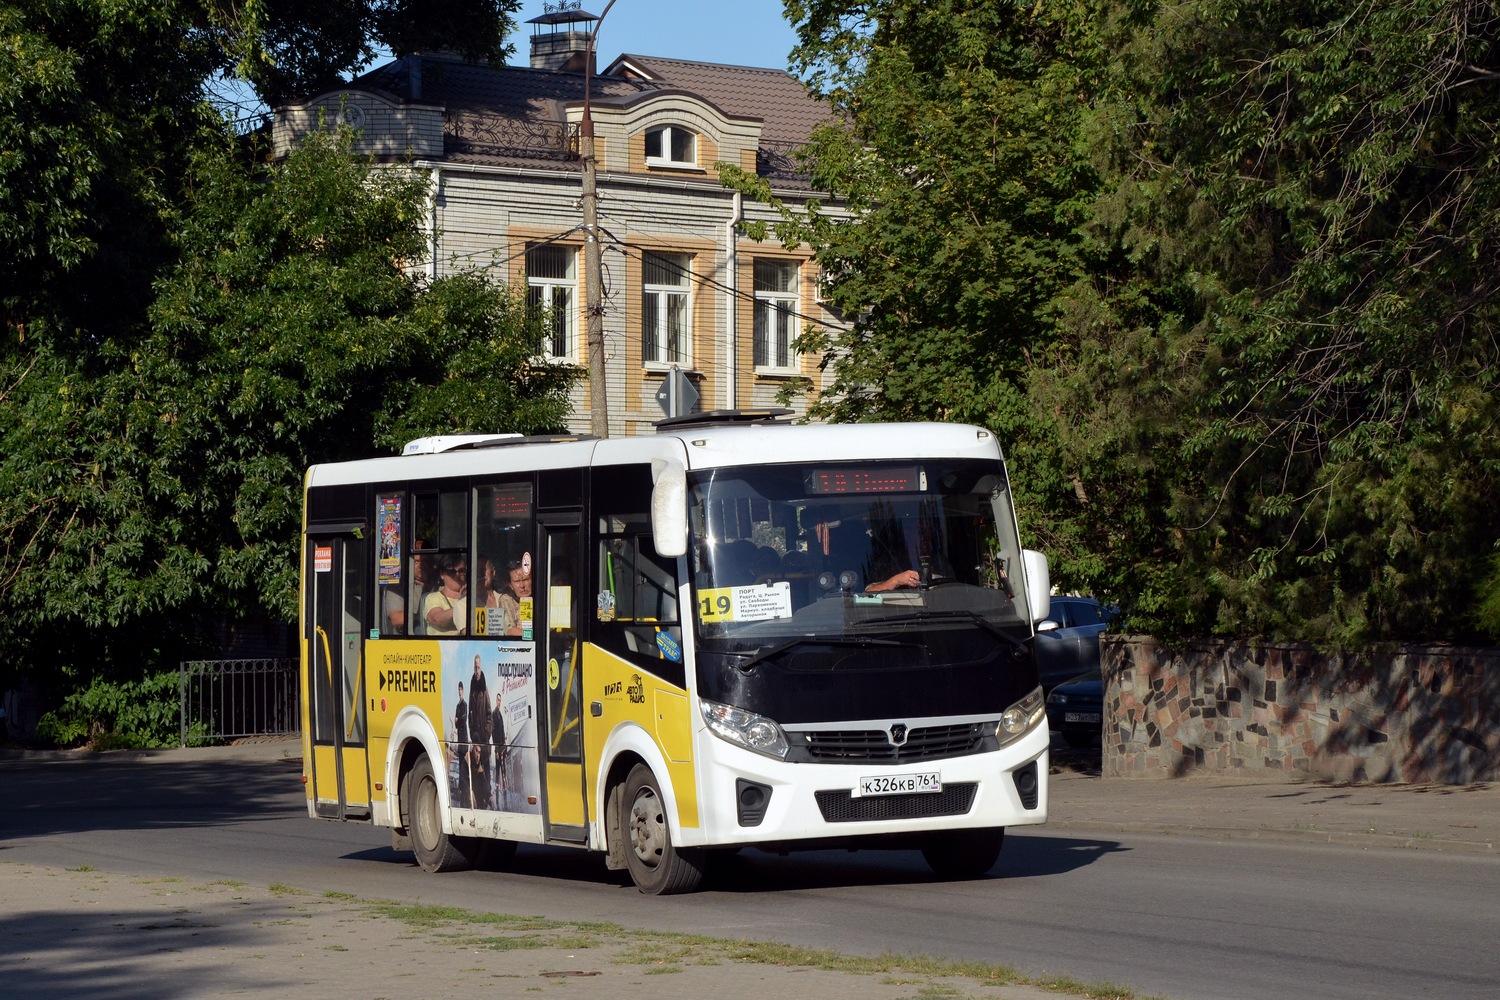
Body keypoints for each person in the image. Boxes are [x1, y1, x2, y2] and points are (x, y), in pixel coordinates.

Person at [423, 555, 468, 636]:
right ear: (442, 574)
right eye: (451, 572)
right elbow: (437, 619)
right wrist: (462, 605)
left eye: (461, 571)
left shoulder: (474, 597)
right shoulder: (434, 598)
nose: (457, 575)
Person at [467, 656, 491, 809]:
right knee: (477, 779)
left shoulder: (484, 690)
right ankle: (481, 806)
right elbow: (470, 714)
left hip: (484, 742)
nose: (477, 671)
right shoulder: (472, 691)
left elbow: (489, 714)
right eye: (475, 668)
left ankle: (487, 803)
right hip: (476, 742)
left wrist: (486, 733)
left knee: (486, 777)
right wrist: (472, 733)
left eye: (478, 668)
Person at [497, 557, 531, 636]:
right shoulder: (507, 600)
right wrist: (533, 636)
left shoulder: (541, 597)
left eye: (525, 580)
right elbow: (511, 631)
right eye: (517, 581)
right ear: (510, 585)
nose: (522, 586)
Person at [453, 681, 470, 807]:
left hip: (464, 738)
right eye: (458, 690)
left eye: (461, 690)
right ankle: (462, 793)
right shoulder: (458, 706)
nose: (459, 692)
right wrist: (457, 720)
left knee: (464, 766)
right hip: (460, 739)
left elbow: (463, 719)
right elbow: (456, 723)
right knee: (460, 767)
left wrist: (458, 720)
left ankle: (465, 792)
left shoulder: (464, 704)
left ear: (463, 691)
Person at [490, 688, 507, 810]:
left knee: (504, 772)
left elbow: (502, 731)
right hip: (498, 749)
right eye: (498, 700)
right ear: (495, 701)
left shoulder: (500, 714)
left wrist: (504, 747)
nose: (499, 702)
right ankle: (497, 801)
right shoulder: (494, 714)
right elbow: (494, 733)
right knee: (498, 774)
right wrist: (496, 749)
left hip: (502, 748)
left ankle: (504, 799)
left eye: (500, 700)